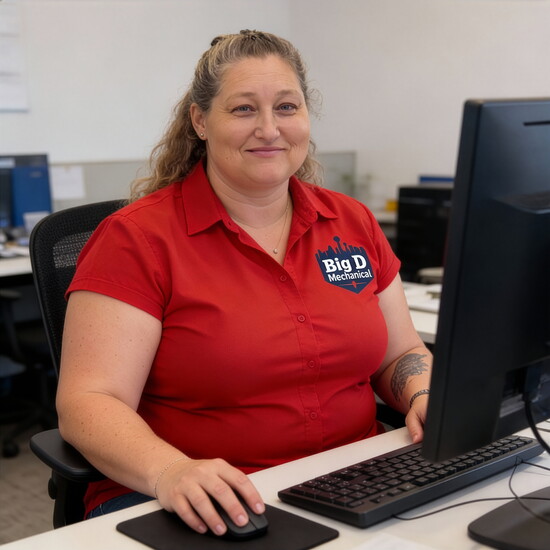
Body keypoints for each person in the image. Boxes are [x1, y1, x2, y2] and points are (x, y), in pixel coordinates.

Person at [56, 29, 432, 536]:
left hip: (354, 476)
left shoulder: (352, 222)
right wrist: (170, 471)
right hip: (198, 498)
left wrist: (423, 395)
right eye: (243, 109)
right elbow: (88, 401)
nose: (269, 129)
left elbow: (399, 353)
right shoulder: (137, 239)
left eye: (286, 107)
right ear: (200, 121)